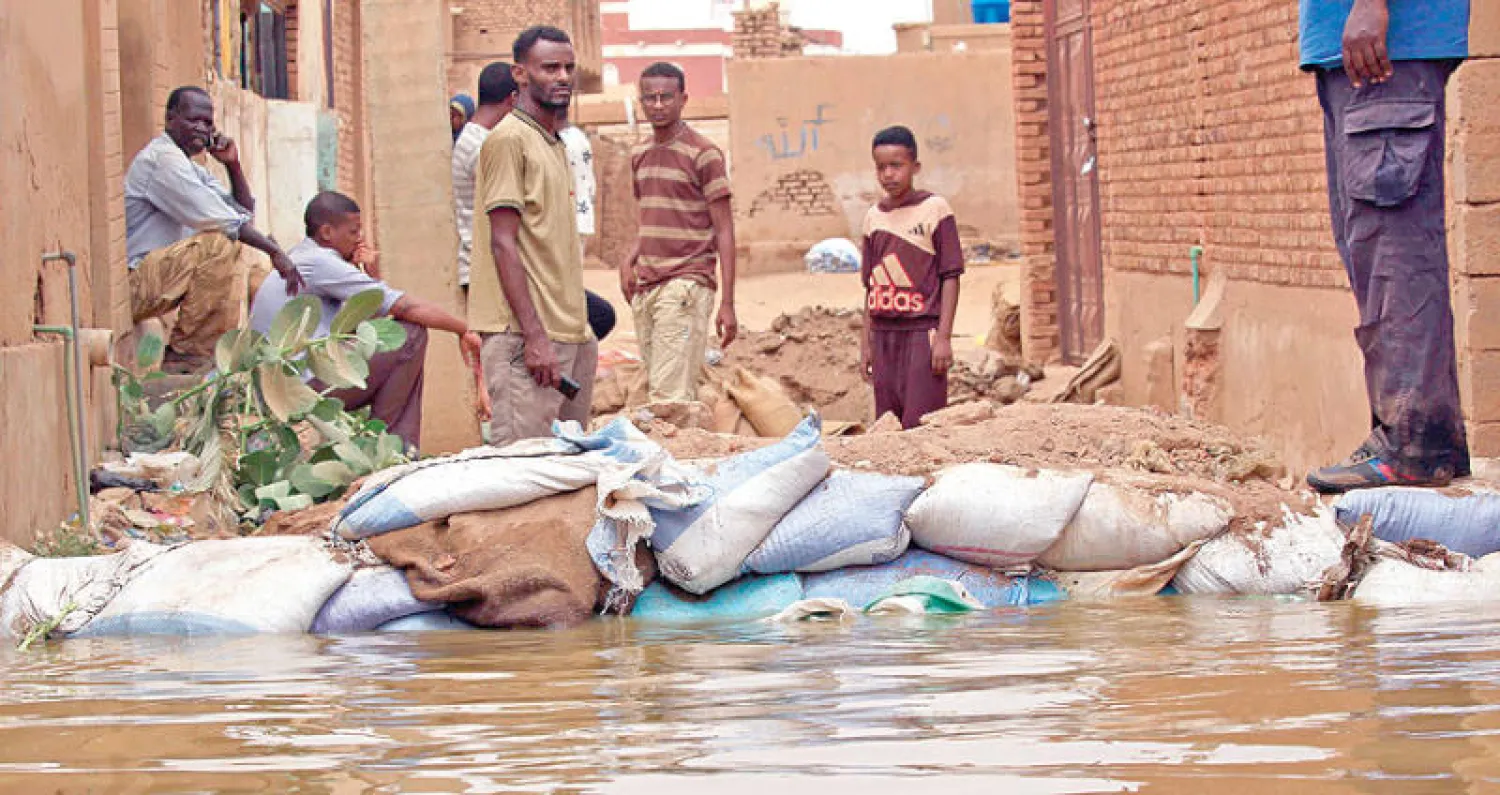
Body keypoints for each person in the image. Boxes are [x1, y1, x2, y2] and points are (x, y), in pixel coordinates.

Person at [1301, 0, 1471, 493]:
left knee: (1396, 250)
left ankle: (1414, 445)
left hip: (1383, 47)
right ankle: (1409, 439)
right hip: (1358, 52)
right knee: (1373, 251)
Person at [249, 192, 488, 450]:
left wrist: (369, 274)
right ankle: (390, 448)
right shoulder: (321, 263)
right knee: (411, 334)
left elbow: (372, 323)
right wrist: (464, 330)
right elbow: (404, 306)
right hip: (300, 390)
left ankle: (390, 446)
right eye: (353, 232)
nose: (360, 238)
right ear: (327, 233)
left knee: (394, 337)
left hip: (283, 388)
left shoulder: (301, 256)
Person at [468, 26, 596, 446]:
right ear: (520, 75)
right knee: (523, 469)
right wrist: (535, 336)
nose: (562, 77)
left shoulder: (554, 142)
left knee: (570, 466)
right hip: (526, 339)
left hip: (568, 333)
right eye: (550, 68)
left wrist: (580, 332)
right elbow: (502, 242)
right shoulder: (508, 141)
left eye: (568, 68)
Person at [125, 85, 304, 373]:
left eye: (207, 123)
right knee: (219, 243)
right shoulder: (163, 160)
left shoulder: (189, 166)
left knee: (230, 243)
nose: (201, 128)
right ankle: (187, 353)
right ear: (170, 119)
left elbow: (242, 215)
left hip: (157, 281)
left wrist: (232, 165)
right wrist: (275, 253)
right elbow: (228, 223)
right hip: (132, 284)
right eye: (193, 120)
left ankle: (199, 352)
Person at [620, 62, 737, 403]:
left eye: (665, 97)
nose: (657, 105)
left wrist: (727, 303)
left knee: (668, 398)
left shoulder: (704, 154)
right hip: (646, 286)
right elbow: (652, 216)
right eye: (650, 98)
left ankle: (680, 453)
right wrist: (628, 260)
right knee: (664, 390)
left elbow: (725, 231)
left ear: (683, 99)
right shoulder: (639, 154)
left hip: (686, 283)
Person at [858, 126, 963, 430]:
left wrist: (943, 337)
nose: (888, 174)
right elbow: (870, 286)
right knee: (887, 425)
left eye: (896, 165)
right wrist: (866, 343)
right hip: (883, 334)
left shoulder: (935, 209)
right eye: (881, 167)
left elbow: (951, 276)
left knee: (921, 424)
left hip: (921, 332)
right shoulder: (873, 217)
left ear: (915, 167)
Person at [453, 64, 518, 290]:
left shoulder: (473, 138)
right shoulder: (485, 146)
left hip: (481, 264)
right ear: (513, 99)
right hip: (485, 267)